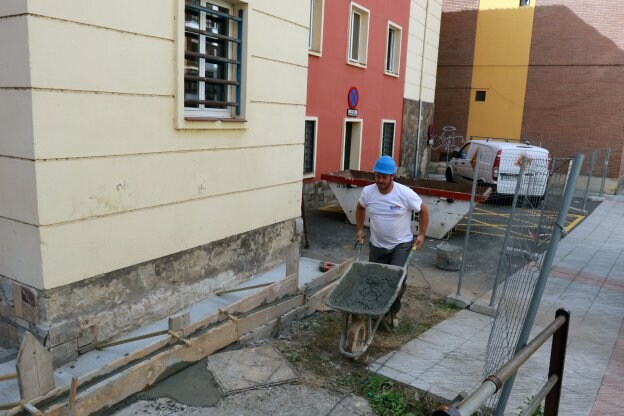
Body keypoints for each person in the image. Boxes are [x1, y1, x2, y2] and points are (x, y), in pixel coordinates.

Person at [355, 155, 429, 328]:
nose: (380, 180)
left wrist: (422, 235)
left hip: (400, 245)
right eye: (377, 176)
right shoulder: (368, 192)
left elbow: (423, 210)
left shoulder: (404, 193)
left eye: (384, 177)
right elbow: (360, 208)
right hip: (377, 244)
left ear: (392, 177)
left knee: (396, 281)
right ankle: (375, 311)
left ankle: (392, 313)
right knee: (375, 279)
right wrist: (359, 229)